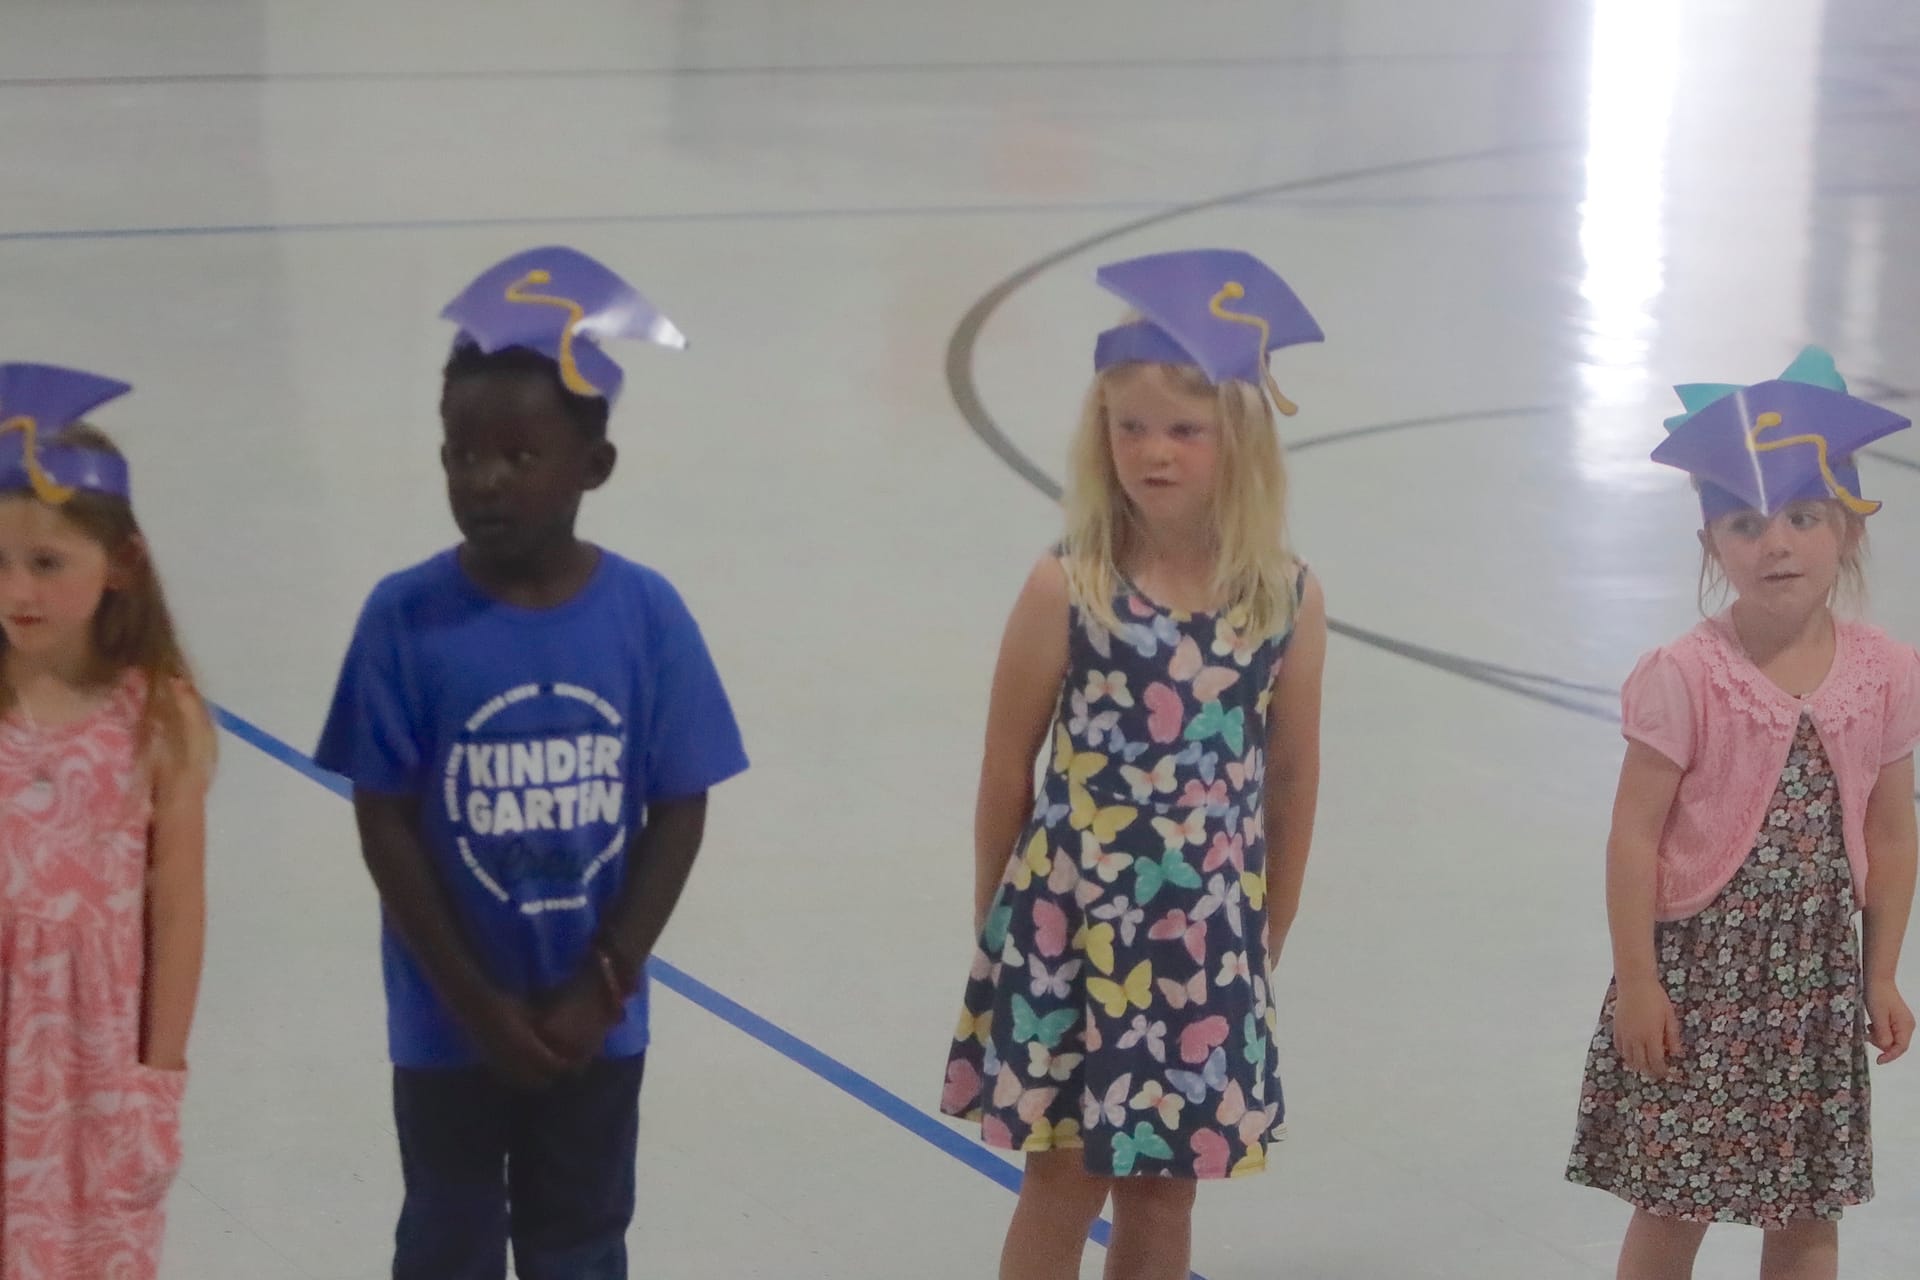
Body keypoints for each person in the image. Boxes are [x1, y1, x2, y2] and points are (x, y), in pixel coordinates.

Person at [315, 246, 749, 1280]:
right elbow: (384, 820)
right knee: (448, 1238)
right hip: (446, 1025)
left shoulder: (646, 615)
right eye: (461, 453)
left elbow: (679, 807)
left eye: (518, 455)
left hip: (593, 1027)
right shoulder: (403, 619)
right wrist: (473, 1001)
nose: (483, 480)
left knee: (579, 1240)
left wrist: (605, 983)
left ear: (592, 466)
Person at [940, 249, 1329, 1280]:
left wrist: (1269, 918)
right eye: (1130, 428)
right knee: (1062, 1174)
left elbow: (1291, 774)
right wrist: (1001, 919)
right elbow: (1002, 770)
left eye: (1184, 431)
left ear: (1237, 440)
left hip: (1204, 940)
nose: (1153, 452)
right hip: (1070, 935)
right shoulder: (1067, 585)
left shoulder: (1283, 596)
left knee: (1166, 1188)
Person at [1566, 347, 1920, 1280]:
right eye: (1745, 523)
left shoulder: (1884, 671)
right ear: (1711, 544)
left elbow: (1891, 828)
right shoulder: (1686, 676)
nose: (1778, 544)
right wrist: (1638, 981)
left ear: (1844, 528)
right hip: (1699, 980)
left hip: (1816, 982)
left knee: (1809, 1211)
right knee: (1674, 1201)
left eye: (1804, 518)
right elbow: (1633, 835)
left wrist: (1880, 972)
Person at [0, 363, 215, 1278]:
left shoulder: (158, 718)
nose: (20, 590)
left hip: (92, 1079)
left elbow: (177, 908)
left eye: (48, 562)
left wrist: (157, 1080)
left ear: (120, 563)